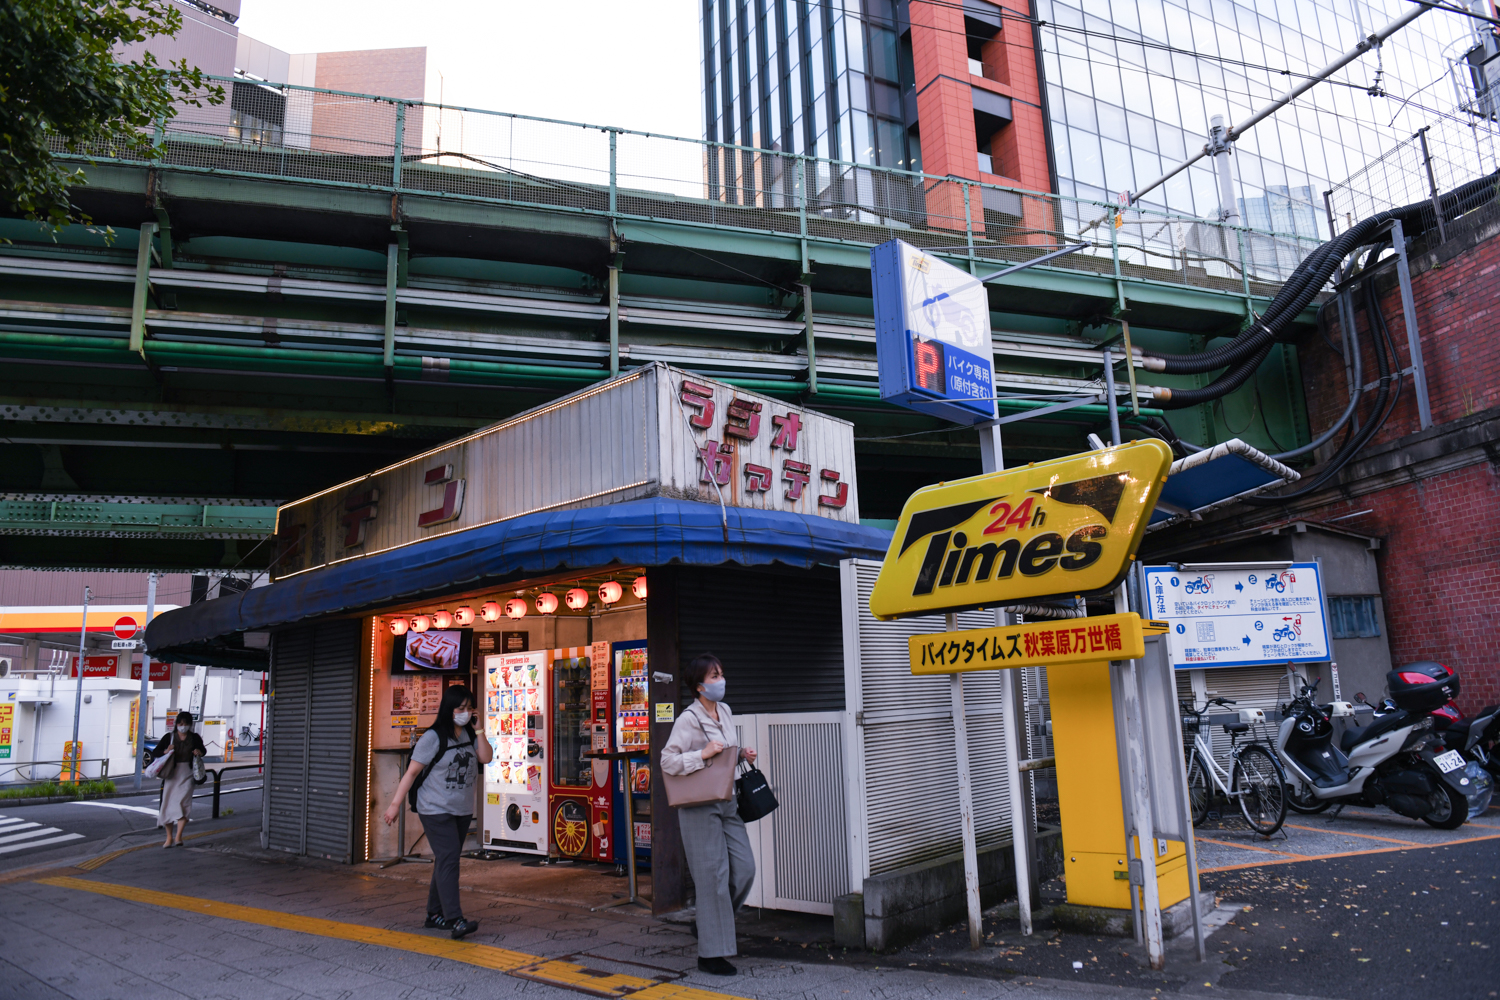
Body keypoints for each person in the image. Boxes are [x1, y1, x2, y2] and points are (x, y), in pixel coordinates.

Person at [661, 653, 758, 976]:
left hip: (726, 799)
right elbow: (668, 761)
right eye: (714, 676)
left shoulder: (726, 711)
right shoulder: (687, 719)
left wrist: (741, 753)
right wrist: (701, 755)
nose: (721, 681)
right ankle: (711, 955)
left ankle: (708, 924)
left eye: (721, 674)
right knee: (712, 877)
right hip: (698, 804)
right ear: (700, 686)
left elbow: (725, 748)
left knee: (744, 868)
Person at [383, 684, 491, 940]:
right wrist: (395, 804)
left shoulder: (469, 733)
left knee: (446, 859)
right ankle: (455, 919)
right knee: (450, 857)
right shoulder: (433, 737)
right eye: (460, 708)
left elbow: (485, 758)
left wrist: (479, 729)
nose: (465, 712)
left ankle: (434, 914)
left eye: (468, 708)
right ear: (449, 709)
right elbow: (411, 773)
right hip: (434, 808)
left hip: (461, 808)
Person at [151, 711, 205, 848]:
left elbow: (203, 750)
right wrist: (165, 751)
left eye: (186, 724)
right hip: (171, 774)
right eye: (180, 724)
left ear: (190, 725)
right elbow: (156, 752)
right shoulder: (169, 737)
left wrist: (198, 752)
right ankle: (169, 837)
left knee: (183, 803)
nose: (183, 726)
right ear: (176, 724)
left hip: (188, 773)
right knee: (168, 804)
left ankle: (178, 836)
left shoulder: (194, 738)